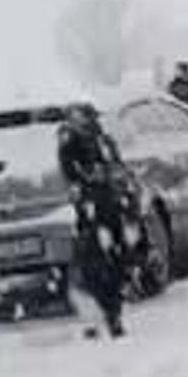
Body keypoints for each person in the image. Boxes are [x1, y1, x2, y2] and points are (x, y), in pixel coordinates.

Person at [57, 105, 146, 337]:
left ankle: (109, 313)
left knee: (112, 262)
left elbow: (117, 168)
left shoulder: (101, 140)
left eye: (86, 119)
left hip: (107, 210)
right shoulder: (71, 144)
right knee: (94, 266)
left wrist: (122, 191)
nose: (86, 123)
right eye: (80, 119)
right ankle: (100, 316)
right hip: (94, 212)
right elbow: (75, 176)